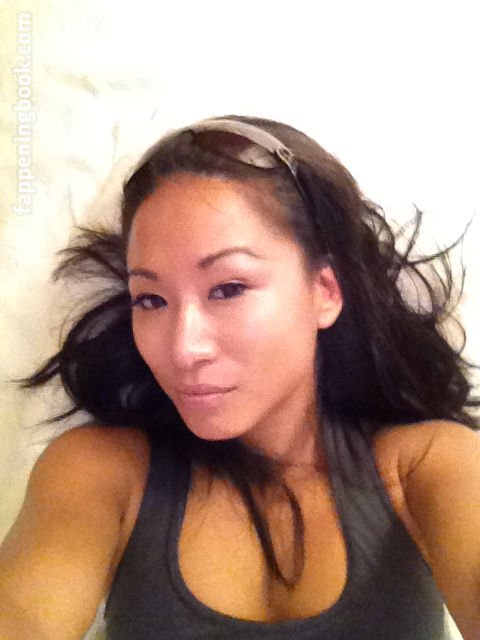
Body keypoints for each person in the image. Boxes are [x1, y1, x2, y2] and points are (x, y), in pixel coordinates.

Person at [0, 115, 478, 640]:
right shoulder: (101, 473)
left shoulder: (428, 467)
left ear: (325, 291)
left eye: (228, 288)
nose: (184, 348)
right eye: (151, 299)